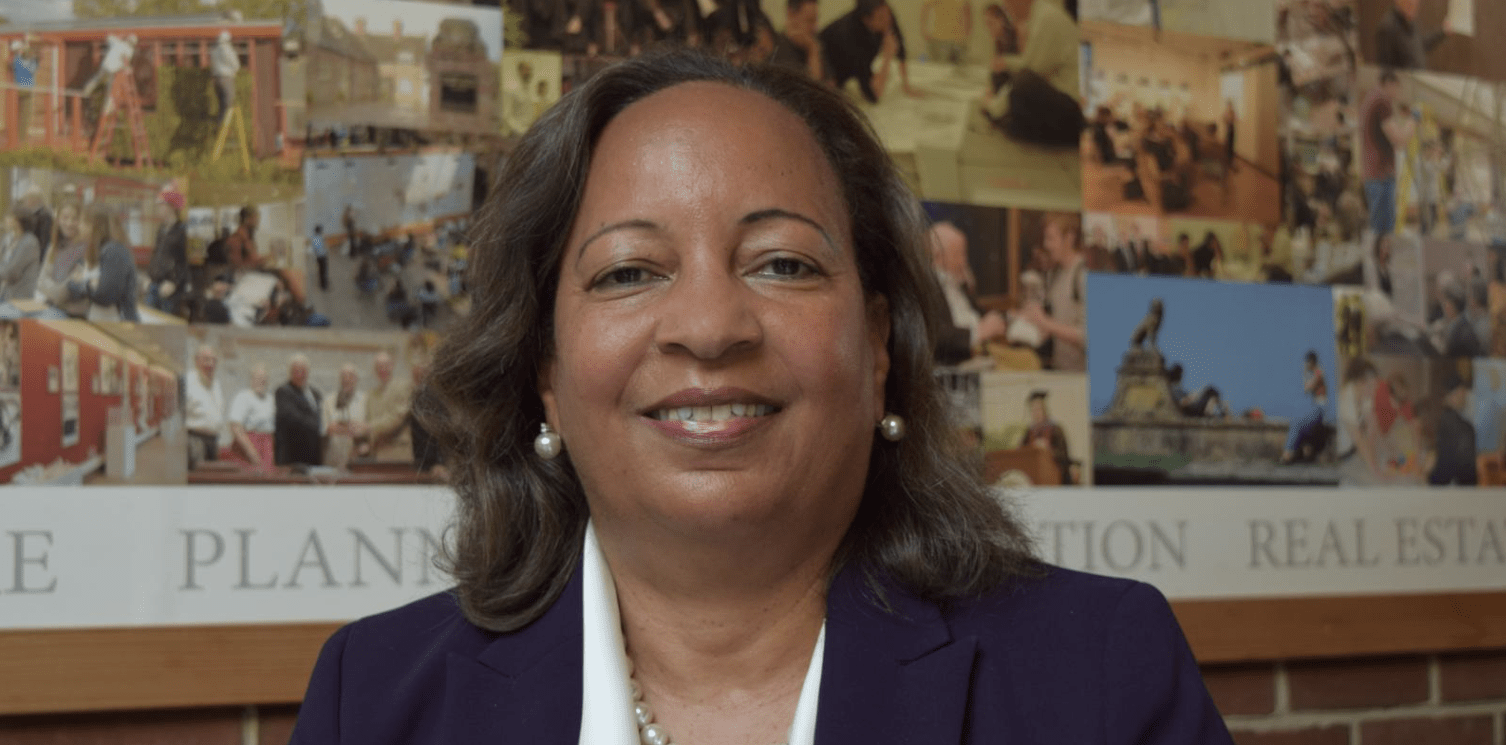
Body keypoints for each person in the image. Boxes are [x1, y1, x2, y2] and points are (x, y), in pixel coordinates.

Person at [290, 50, 1232, 745]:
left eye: (781, 262)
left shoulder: (1103, 677)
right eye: (627, 273)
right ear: (545, 370)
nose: (709, 324)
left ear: (875, 349)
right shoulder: (369, 703)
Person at [981, 0, 1083, 147]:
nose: (1007, 9)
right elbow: (1030, 62)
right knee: (1003, 71)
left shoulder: (1047, 19)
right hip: (1059, 92)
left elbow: (1030, 73)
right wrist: (1005, 62)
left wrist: (992, 106)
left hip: (1074, 109)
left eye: (1008, 4)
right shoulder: (1039, 16)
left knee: (1022, 86)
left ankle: (1011, 120)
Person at [928, 221, 1008, 364]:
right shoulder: (927, 287)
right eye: (958, 254)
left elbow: (978, 315)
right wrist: (979, 332)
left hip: (977, 361)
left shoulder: (957, 284)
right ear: (939, 256)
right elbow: (935, 337)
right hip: (950, 370)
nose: (963, 261)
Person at [1017, 212, 1086, 371]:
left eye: (1051, 238)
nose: (1046, 245)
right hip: (1060, 368)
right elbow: (1058, 322)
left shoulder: (1082, 275)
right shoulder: (1057, 273)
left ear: (1069, 238)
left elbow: (1088, 336)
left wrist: (1044, 322)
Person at [820, 0, 913, 103]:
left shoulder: (884, 12)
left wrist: (907, 85)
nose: (887, 20)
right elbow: (873, 96)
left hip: (852, 61)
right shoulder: (852, 37)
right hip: (828, 64)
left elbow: (900, 46)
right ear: (866, 20)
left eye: (888, 14)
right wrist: (887, 56)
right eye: (881, 18)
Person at [1360, 70, 1414, 237]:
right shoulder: (1382, 100)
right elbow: (1399, 140)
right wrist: (1413, 120)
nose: (1398, 94)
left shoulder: (1370, 98)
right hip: (1381, 175)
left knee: (1378, 229)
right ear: (1390, 84)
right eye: (1397, 88)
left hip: (1373, 174)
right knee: (1384, 231)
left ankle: (1378, 260)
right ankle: (1380, 262)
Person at [73, 204, 140, 322]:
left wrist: (84, 283)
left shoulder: (114, 251)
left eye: (83, 221)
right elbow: (72, 284)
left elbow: (106, 296)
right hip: (99, 320)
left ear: (95, 225)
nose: (78, 226)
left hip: (117, 325)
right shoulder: (95, 250)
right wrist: (90, 284)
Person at [34, 202, 88, 317]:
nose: (69, 223)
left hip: (75, 313)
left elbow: (67, 290)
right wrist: (55, 292)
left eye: (75, 219)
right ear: (58, 220)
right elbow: (40, 281)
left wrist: (52, 292)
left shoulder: (86, 249)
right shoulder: (54, 246)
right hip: (52, 307)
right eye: (65, 218)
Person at [1429, 369, 1477, 485]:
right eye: (1463, 393)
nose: (1465, 397)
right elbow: (1462, 470)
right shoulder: (1464, 427)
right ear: (1455, 394)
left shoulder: (1445, 420)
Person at [274, 355, 324, 467]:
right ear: (290, 372)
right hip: (293, 456)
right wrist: (320, 426)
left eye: (303, 370)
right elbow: (294, 418)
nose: (300, 374)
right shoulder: (283, 392)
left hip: (313, 455)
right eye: (296, 370)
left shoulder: (315, 393)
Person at [1280, 350, 1329, 464]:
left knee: (1296, 425)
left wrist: (1305, 373)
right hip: (1318, 409)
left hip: (1319, 410)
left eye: (1307, 362)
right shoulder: (1318, 372)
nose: (1306, 365)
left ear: (1311, 362)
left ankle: (1287, 454)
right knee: (1300, 426)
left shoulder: (1318, 372)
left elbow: (1307, 388)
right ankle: (1300, 454)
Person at [226, 364, 276, 471]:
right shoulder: (243, 397)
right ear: (251, 379)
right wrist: (251, 452)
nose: (261, 381)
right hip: (248, 443)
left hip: (266, 444)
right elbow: (235, 426)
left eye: (264, 379)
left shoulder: (271, 399)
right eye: (258, 378)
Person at [146, 189, 189, 315]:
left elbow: (186, 261)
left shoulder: (183, 231)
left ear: (171, 207)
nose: (158, 208)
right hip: (154, 285)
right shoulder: (161, 230)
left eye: (161, 204)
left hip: (169, 290)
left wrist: (174, 283)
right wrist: (149, 276)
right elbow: (156, 254)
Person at [365, 351, 413, 461]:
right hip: (377, 454)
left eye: (386, 365)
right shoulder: (371, 394)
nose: (382, 369)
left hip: (398, 453)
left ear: (392, 366)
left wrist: (367, 427)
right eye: (379, 366)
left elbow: (396, 418)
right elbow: (369, 421)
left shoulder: (404, 387)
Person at [1374, 0, 1449, 71]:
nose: (1414, 8)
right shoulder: (1388, 27)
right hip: (1402, 83)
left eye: (1416, 5)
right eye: (1410, 4)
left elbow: (1420, 46)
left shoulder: (1409, 21)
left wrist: (1442, 32)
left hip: (1416, 80)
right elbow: (1385, 68)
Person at [185, 345, 228, 467]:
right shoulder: (188, 381)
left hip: (213, 440)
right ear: (196, 361)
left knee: (210, 481)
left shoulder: (216, 384)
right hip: (194, 440)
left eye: (214, 360)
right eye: (206, 359)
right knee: (198, 480)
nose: (211, 364)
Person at [322, 363, 369, 469]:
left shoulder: (365, 400)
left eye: (351, 376)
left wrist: (340, 428)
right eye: (343, 376)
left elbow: (368, 428)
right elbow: (327, 427)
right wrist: (352, 428)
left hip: (357, 460)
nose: (347, 379)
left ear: (356, 379)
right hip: (333, 459)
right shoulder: (329, 400)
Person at [1024, 389, 1073, 485]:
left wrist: (1048, 449)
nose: (1035, 413)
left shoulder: (1055, 429)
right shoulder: (1029, 432)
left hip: (1054, 479)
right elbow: (1021, 452)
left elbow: (1064, 456)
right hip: (1033, 480)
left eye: (1038, 409)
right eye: (1033, 410)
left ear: (1045, 410)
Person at [768, 0, 824, 80]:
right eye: (810, 20)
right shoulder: (774, 47)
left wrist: (813, 50)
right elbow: (812, 88)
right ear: (790, 14)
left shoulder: (815, 42)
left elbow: (831, 86)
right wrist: (813, 52)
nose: (815, 27)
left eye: (816, 20)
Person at [0, 207, 42, 303]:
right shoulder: (8, 238)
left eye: (8, 217)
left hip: (19, 296)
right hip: (3, 292)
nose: (5, 220)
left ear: (18, 221)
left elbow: (12, 272)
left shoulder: (29, 242)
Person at [920, 0, 971, 64]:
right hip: (939, 39)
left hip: (958, 41)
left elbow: (967, 12)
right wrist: (924, 30)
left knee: (958, 69)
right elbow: (925, 8)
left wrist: (966, 36)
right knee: (940, 68)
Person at [225, 205, 264, 275]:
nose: (258, 221)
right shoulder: (236, 239)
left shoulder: (248, 238)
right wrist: (261, 260)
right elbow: (236, 266)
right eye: (255, 217)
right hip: (245, 277)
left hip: (251, 275)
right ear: (247, 219)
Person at [210, 30, 240, 123]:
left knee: (221, 103)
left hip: (216, 78)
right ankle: (226, 123)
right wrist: (235, 70)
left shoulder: (214, 50)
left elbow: (213, 65)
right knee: (229, 101)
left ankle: (220, 122)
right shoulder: (227, 49)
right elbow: (234, 63)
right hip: (227, 77)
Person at [309, 225, 329, 291]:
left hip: (319, 256)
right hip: (322, 256)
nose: (322, 231)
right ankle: (324, 285)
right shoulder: (318, 238)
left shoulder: (315, 238)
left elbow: (316, 249)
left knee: (321, 270)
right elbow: (320, 248)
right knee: (323, 270)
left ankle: (323, 283)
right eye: (321, 230)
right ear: (319, 231)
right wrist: (325, 244)